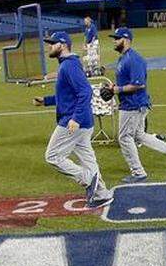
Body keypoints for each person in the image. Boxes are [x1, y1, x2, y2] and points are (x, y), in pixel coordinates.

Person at [32, 31, 112, 208]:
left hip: (73, 121)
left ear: (63, 45)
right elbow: (67, 95)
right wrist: (46, 101)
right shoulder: (67, 65)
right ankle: (102, 194)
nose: (50, 47)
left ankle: (87, 179)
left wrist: (75, 118)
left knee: (52, 156)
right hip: (83, 122)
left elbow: (85, 92)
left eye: (53, 44)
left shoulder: (69, 66)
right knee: (88, 159)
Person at [110, 27, 166, 182]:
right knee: (139, 135)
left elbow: (139, 84)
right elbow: (125, 81)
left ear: (127, 40)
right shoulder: (123, 58)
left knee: (125, 137)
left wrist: (117, 90)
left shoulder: (134, 59)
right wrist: (113, 88)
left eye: (117, 38)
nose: (114, 41)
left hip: (133, 105)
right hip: (132, 103)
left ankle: (138, 172)